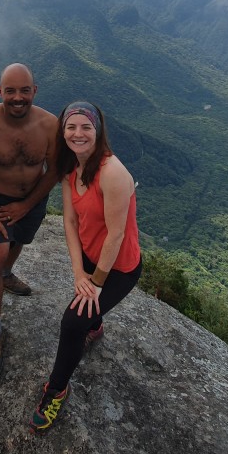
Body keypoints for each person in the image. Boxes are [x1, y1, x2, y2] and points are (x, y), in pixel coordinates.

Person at [30, 101, 143, 432]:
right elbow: (68, 219)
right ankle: (96, 325)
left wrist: (94, 283)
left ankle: (56, 390)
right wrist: (79, 273)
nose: (78, 134)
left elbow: (117, 234)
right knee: (86, 310)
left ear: (98, 131)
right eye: (71, 127)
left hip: (120, 267)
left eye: (86, 127)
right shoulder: (70, 168)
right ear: (62, 131)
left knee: (72, 322)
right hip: (93, 258)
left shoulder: (113, 173)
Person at [0, 63, 59, 381]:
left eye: (24, 90)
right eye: (10, 91)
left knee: (21, 240)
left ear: (34, 90)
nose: (17, 98)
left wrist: (27, 205)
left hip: (32, 200)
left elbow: (55, 170)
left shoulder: (50, 125)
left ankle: (7, 275)